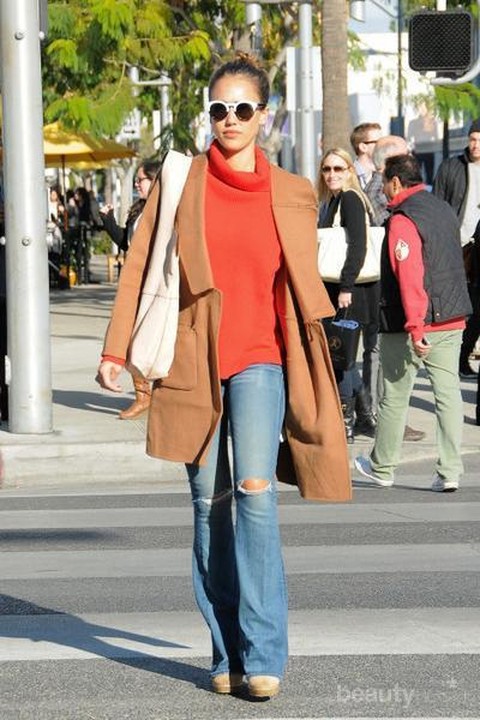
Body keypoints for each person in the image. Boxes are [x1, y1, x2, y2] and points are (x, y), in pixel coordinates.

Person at [96, 54, 350, 700]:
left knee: (255, 493)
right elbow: (139, 266)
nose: (229, 119)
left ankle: (263, 653)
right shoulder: (182, 183)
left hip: (261, 358)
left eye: (242, 108)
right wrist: (116, 349)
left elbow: (302, 282)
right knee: (209, 508)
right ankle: (226, 649)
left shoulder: (292, 191)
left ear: (263, 116)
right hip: (190, 360)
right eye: (219, 109)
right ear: (208, 115)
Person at [355, 154, 472, 492]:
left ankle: (383, 466)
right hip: (451, 315)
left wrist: (415, 327)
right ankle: (450, 471)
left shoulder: (403, 219)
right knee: (448, 394)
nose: (382, 190)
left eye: (384, 183)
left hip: (410, 322)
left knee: (394, 395)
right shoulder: (443, 209)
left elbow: (410, 276)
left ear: (395, 182)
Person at [363, 135, 426, 443]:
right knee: (382, 354)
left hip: (384, 279)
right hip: (383, 282)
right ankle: (385, 417)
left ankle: (386, 415)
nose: (409, 159)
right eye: (404, 155)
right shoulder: (381, 190)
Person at [318, 147, 378, 443]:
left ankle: (347, 422)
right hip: (339, 288)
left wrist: (345, 287)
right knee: (341, 356)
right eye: (327, 169)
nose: (331, 174)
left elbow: (358, 246)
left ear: (349, 171)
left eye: (338, 169)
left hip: (350, 291)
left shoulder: (351, 199)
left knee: (340, 356)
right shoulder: (333, 200)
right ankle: (364, 416)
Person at [99, 160, 161, 420]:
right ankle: (143, 395)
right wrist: (108, 220)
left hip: (156, 285)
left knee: (153, 340)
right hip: (137, 284)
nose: (137, 184)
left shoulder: (166, 210)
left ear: (155, 180)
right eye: (136, 180)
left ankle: (156, 396)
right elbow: (127, 243)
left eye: (141, 179)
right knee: (133, 338)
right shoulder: (139, 210)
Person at [433, 119, 480, 378]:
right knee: (459, 305)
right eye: (472, 139)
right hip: (457, 245)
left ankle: (462, 357)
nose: (475, 145)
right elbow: (438, 203)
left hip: (478, 244)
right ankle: (454, 359)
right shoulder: (451, 167)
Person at [350, 122, 382, 190]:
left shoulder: (385, 174)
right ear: (363, 147)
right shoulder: (347, 175)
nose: (383, 145)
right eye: (378, 142)